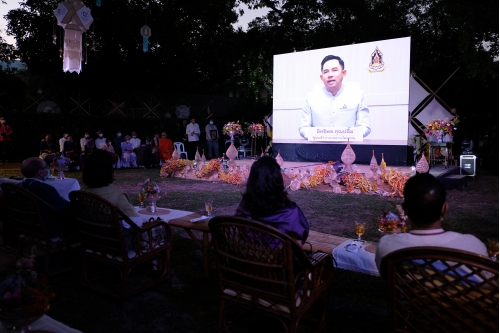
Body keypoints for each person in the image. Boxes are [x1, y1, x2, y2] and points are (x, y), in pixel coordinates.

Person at [375, 173, 488, 272]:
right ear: (444, 209)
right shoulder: (474, 247)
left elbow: (385, 276)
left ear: (404, 209)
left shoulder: (387, 246)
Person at [235, 156, 309, 244]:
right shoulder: (291, 213)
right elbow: (297, 245)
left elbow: (240, 232)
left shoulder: (245, 206)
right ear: (277, 180)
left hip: (249, 255)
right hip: (279, 256)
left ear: (252, 181)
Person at [299, 55, 370, 140]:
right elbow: (303, 128)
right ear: (321, 77)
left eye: (334, 70)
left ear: (343, 73)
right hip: (318, 149)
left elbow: (365, 127)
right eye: (326, 72)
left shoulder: (357, 95)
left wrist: (343, 136)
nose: (330, 75)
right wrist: (321, 136)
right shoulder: (311, 97)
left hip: (348, 149)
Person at [81, 149, 143, 245]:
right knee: (158, 229)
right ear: (108, 170)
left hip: (93, 241)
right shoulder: (116, 195)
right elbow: (136, 222)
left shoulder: (81, 193)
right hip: (116, 244)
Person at [19, 157, 69, 233]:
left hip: (27, 227)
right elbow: (65, 209)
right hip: (51, 228)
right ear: (40, 173)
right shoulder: (44, 189)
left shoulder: (19, 186)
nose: (47, 169)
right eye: (46, 167)